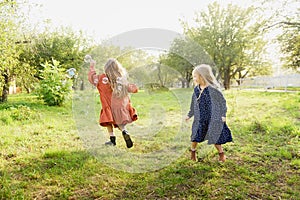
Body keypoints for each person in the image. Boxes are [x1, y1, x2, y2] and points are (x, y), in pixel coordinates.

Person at [185, 64, 232, 162]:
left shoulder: (213, 89)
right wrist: (189, 114)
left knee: (215, 137)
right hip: (200, 119)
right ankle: (193, 152)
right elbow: (193, 103)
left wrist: (223, 115)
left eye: (195, 76)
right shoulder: (196, 89)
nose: (194, 78)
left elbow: (222, 102)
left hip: (213, 118)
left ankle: (221, 154)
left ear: (202, 76)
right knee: (195, 136)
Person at [88, 58, 138, 148]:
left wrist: (92, 66)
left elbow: (92, 79)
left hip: (108, 106)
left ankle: (112, 140)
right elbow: (133, 89)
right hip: (119, 107)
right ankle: (124, 131)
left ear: (106, 68)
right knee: (120, 123)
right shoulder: (121, 80)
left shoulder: (102, 78)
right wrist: (129, 85)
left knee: (108, 122)